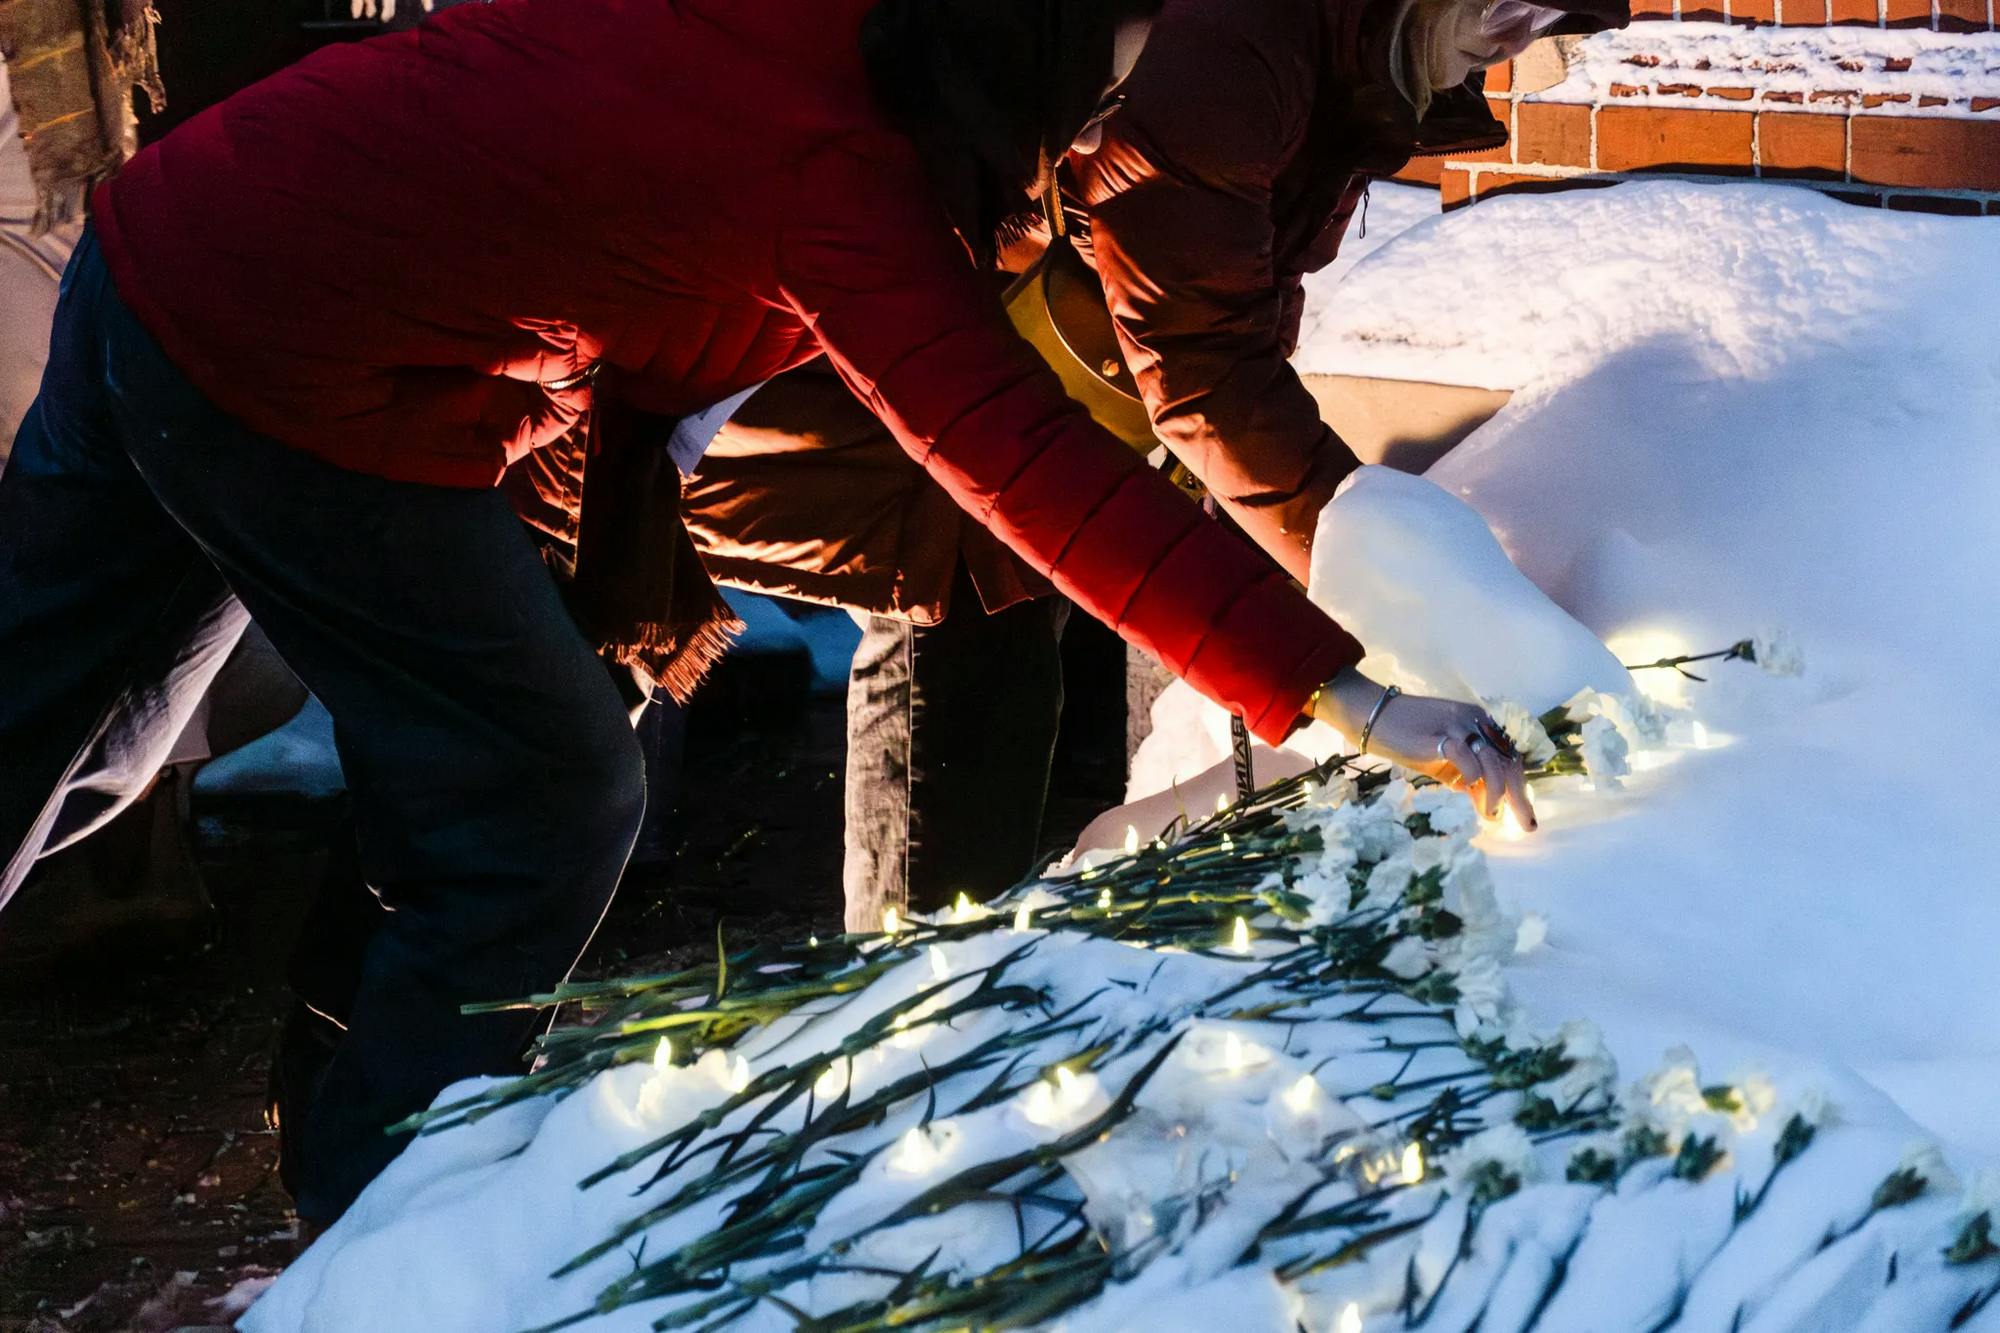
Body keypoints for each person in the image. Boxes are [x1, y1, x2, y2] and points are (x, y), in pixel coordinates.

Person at [0, 0, 1529, 1226]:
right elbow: (1031, 470)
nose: (1096, 136)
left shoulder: (825, 50)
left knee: (60, 733)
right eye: (1098, 85)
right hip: (280, 349)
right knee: (541, 790)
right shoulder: (847, 178)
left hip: (173, 244)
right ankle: (383, 1232)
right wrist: (1351, 696)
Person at [680, 0, 1622, 931]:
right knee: (950, 689)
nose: (1520, 31)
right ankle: (910, 1016)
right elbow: (1201, 367)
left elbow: (1232, 314)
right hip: (948, 439)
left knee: (999, 661)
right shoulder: (1226, 51)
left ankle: (951, 989)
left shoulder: (1346, 55)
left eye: (1551, 11)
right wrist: (1386, 604)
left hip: (1049, 428)